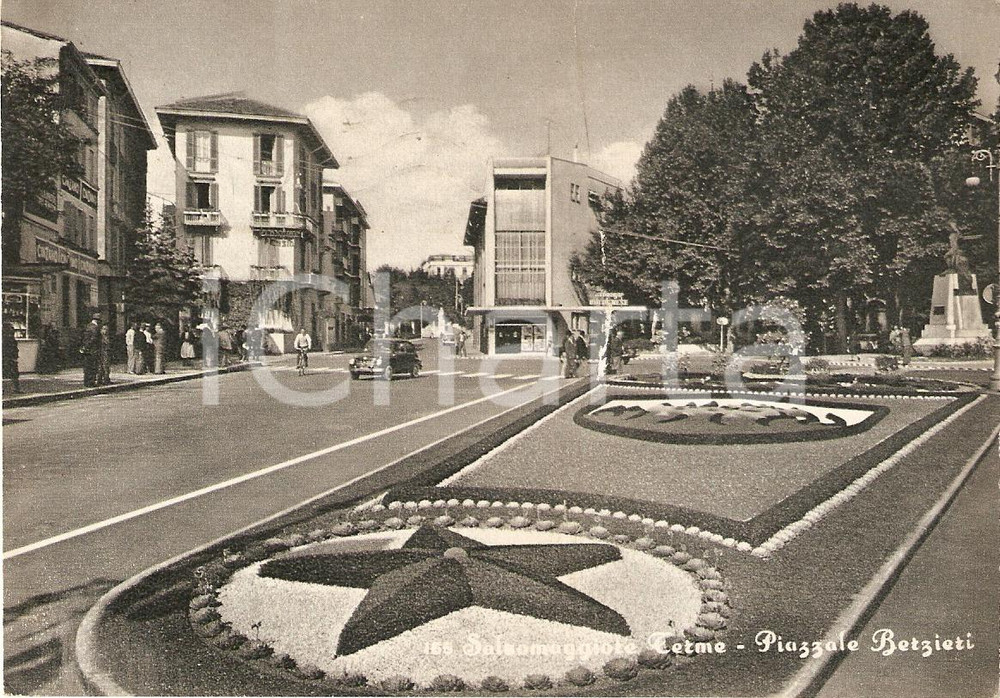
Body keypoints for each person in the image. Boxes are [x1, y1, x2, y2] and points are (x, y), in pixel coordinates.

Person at [81, 314, 101, 387]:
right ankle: (91, 382)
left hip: (87, 349)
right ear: (97, 320)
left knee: (87, 366)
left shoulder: (88, 326)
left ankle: (86, 381)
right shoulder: (95, 327)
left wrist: (85, 347)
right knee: (93, 366)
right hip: (93, 349)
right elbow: (94, 339)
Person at [3, 320, 21, 393]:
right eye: (11, 328)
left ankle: (16, 388)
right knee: (13, 373)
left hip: (10, 357)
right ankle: (16, 388)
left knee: (14, 373)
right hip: (9, 357)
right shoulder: (8, 338)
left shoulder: (8, 337)